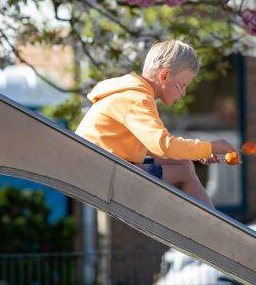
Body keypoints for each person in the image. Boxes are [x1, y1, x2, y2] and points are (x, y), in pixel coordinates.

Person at [76, 40, 236, 208]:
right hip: (101, 172)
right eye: (182, 85)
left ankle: (201, 220)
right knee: (183, 172)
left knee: (183, 164)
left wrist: (195, 153)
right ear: (164, 76)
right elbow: (163, 145)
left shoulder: (133, 93)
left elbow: (155, 146)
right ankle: (211, 227)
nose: (183, 93)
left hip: (99, 165)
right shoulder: (137, 100)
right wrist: (209, 147)